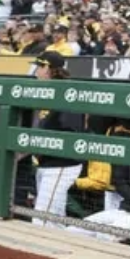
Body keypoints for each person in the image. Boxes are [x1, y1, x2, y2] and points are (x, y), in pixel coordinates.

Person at [27, 50, 85, 227]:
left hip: (61, 164)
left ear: (48, 69)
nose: (36, 71)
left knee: (42, 219)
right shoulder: (44, 91)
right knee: (54, 218)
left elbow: (71, 130)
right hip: (45, 162)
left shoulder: (66, 91)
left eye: (39, 67)